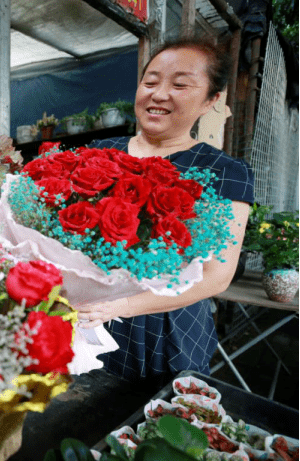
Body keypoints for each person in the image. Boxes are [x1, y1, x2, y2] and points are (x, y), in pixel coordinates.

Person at [75, 37, 255, 388]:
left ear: (212, 100)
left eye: (180, 84)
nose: (159, 94)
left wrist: (122, 306)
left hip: (168, 328)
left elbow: (216, 275)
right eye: (151, 81)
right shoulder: (99, 153)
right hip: (87, 316)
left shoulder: (223, 171)